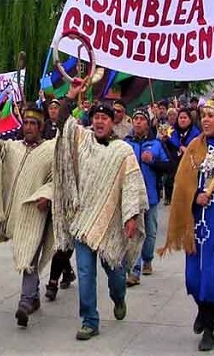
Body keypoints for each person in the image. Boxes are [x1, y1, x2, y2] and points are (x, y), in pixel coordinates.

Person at [52, 79, 147, 341]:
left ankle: (119, 297)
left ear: (112, 122)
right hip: (83, 223)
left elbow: (131, 185)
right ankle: (89, 320)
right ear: (91, 121)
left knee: (115, 274)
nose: (100, 121)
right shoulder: (82, 141)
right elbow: (62, 124)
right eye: (96, 117)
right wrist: (70, 95)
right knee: (84, 273)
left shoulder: (123, 150)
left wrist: (130, 217)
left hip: (111, 224)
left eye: (105, 117)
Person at [158, 99, 214, 352]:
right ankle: (201, 310)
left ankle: (210, 327)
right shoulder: (193, 148)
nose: (206, 120)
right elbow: (181, 185)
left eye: (211, 116)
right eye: (204, 116)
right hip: (196, 221)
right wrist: (195, 194)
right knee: (194, 277)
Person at [0, 103, 56, 328]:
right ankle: (33, 297)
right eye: (26, 122)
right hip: (15, 213)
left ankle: (24, 302)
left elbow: (57, 179)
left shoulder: (50, 149)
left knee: (29, 254)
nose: (29, 127)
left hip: (37, 212)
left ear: (41, 127)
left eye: (34, 123)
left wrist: (48, 195)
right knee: (28, 252)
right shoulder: (12, 147)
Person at [124, 108, 170, 284]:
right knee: (133, 232)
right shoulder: (125, 143)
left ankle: (148, 259)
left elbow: (168, 166)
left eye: (141, 119)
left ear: (147, 122)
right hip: (131, 196)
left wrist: (153, 161)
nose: (137, 122)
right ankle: (134, 270)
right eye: (135, 119)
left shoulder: (156, 144)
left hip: (150, 194)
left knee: (150, 231)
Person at [42, 99, 77, 301]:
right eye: (52, 108)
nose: (54, 111)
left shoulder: (75, 133)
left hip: (68, 192)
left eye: (58, 108)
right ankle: (66, 271)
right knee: (55, 238)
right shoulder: (44, 128)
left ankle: (53, 281)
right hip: (48, 188)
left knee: (65, 240)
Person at [163, 108, 201, 205]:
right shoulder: (171, 132)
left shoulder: (196, 134)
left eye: (185, 118)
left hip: (190, 170)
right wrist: (165, 140)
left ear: (190, 120)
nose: (182, 120)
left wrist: (187, 150)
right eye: (180, 118)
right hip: (174, 167)